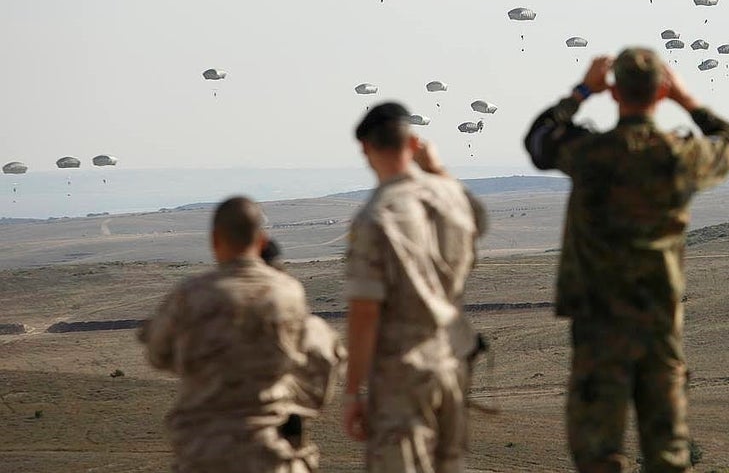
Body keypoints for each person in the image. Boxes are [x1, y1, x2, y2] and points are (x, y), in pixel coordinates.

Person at [524, 48, 729, 473]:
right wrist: (689, 101)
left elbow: (538, 142)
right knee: (667, 453)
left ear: (613, 92)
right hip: (657, 319)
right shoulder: (679, 155)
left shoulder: (587, 153)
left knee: (596, 451)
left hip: (598, 320)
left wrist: (580, 92)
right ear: (661, 92)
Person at [139, 196, 345, 473]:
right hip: (269, 453)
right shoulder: (288, 293)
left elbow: (158, 354)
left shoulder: (190, 295)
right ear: (261, 240)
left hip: (202, 455)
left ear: (215, 240)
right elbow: (322, 359)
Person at [343, 102, 486, 473]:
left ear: (366, 149)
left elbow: (364, 311)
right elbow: (478, 218)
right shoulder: (450, 196)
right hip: (451, 363)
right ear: (414, 143)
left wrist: (352, 389)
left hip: (401, 373)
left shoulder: (377, 217)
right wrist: (436, 168)